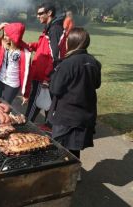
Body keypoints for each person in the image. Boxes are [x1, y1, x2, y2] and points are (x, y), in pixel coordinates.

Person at [48, 27, 101, 180]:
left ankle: (63, 174)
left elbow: (56, 89)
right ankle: (74, 171)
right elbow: (96, 84)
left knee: (62, 144)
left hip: (66, 114)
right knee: (74, 145)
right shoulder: (94, 62)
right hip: (85, 113)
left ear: (71, 43)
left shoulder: (66, 64)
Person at [25, 2, 67, 131]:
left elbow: (56, 56)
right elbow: (46, 47)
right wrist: (31, 46)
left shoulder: (54, 30)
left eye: (40, 13)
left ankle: (26, 125)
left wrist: (48, 77)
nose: (38, 16)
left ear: (49, 13)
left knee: (34, 101)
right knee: (48, 100)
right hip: (43, 73)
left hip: (44, 75)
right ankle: (49, 125)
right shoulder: (51, 27)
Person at [0, 22, 31, 105]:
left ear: (15, 36)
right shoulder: (0, 43)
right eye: (4, 34)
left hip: (12, 84)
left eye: (7, 35)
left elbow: (27, 75)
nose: (5, 37)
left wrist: (26, 94)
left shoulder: (24, 52)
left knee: (4, 107)